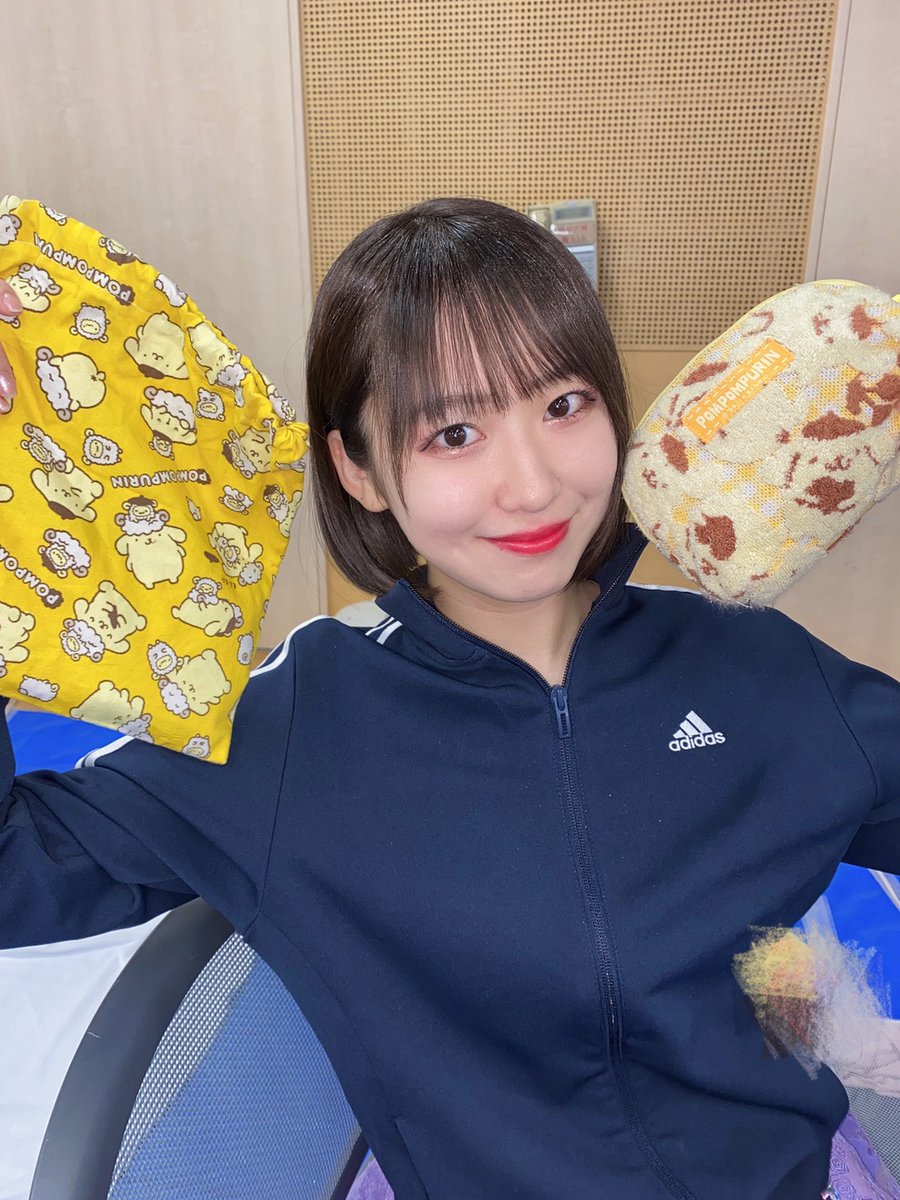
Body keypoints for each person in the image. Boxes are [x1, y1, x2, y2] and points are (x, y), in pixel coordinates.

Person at [1, 198, 899, 1200]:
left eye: (564, 405)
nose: (533, 485)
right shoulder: (293, 731)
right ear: (359, 469)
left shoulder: (752, 664)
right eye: (455, 432)